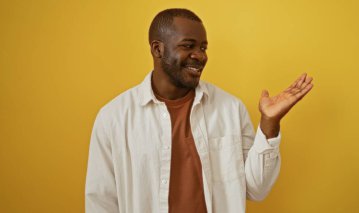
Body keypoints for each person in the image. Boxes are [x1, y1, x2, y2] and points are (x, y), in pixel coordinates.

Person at [85, 8, 313, 213]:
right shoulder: (113, 118)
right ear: (158, 49)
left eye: (203, 47)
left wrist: (269, 123)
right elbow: (101, 202)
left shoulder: (230, 109)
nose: (200, 55)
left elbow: (256, 189)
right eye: (188, 45)